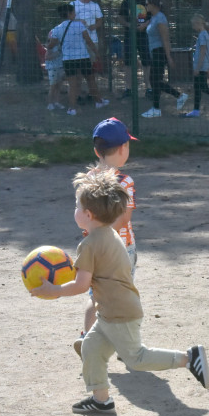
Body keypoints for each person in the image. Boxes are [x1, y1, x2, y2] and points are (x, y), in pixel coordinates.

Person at [31, 169, 209, 415]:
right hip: (113, 310)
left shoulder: (89, 244)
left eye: (76, 206)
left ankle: (189, 359)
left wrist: (54, 290)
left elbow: (81, 285)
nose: (73, 211)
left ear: (87, 214)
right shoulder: (111, 234)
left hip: (119, 313)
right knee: (91, 349)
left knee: (136, 358)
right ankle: (101, 400)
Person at [72, 118, 139, 357]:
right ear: (123, 149)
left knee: (96, 296)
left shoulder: (87, 180)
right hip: (122, 248)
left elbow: (80, 214)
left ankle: (89, 339)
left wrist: (93, 234)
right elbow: (124, 218)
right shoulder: (125, 182)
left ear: (96, 151)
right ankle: (125, 343)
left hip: (93, 247)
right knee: (124, 295)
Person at [141, 0, 188, 118]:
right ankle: (157, 108)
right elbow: (148, 25)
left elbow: (166, 40)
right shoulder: (154, 17)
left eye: (147, 4)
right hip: (154, 52)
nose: (145, 6)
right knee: (155, 80)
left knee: (154, 80)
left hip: (159, 52)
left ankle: (178, 96)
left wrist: (169, 57)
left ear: (153, 5)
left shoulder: (160, 19)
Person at [48, 3, 96, 117]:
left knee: (71, 84)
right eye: (74, 12)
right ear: (70, 14)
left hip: (68, 59)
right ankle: (98, 101)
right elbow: (88, 40)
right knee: (88, 80)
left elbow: (51, 44)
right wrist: (95, 51)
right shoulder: (79, 26)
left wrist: (50, 46)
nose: (75, 14)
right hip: (82, 57)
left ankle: (71, 108)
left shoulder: (57, 29)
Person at [71, 0, 108, 108]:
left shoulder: (95, 6)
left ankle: (89, 94)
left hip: (92, 41)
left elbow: (100, 21)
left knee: (89, 69)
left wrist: (94, 26)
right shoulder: (73, 5)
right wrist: (78, 21)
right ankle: (78, 94)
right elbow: (67, 21)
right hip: (77, 41)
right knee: (77, 70)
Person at [118, 0, 150, 96]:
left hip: (145, 35)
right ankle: (129, 89)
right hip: (129, 35)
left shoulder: (148, 1)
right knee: (129, 63)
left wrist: (145, 25)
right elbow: (120, 17)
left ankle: (149, 88)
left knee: (147, 62)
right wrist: (128, 25)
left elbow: (155, 16)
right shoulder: (126, 2)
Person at [44, 4, 69, 111]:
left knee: (59, 85)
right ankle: (50, 103)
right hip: (53, 67)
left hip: (60, 65)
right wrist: (56, 54)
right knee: (53, 85)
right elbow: (47, 57)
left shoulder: (60, 45)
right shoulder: (50, 47)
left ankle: (57, 101)